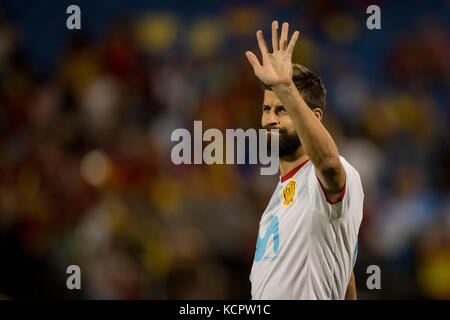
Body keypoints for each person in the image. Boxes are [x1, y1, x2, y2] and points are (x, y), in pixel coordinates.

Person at [245, 20, 363, 300]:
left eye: (282, 109)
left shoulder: (329, 175)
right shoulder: (280, 196)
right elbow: (345, 273)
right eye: (266, 109)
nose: (270, 119)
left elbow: (329, 164)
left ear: (315, 117)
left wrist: (285, 86)